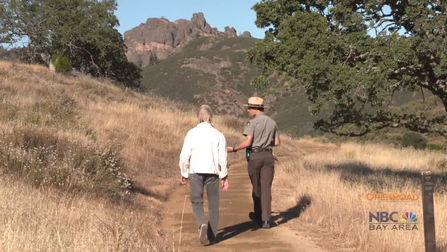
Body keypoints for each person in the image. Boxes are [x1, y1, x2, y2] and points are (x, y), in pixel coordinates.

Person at [179, 104, 229, 245]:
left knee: (196, 200)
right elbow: (222, 159)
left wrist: (184, 172)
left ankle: (201, 223)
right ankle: (211, 235)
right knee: (213, 203)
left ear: (198, 117)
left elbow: (184, 156)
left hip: (195, 172)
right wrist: (224, 176)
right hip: (213, 173)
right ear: (210, 117)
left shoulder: (191, 133)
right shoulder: (219, 135)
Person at [227, 96, 280, 229]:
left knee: (256, 187)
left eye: (249, 108)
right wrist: (266, 143)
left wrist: (234, 149)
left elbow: (248, 142)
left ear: (255, 109)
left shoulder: (253, 123)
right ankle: (266, 220)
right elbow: (277, 142)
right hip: (268, 155)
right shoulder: (272, 122)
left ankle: (258, 215)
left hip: (255, 156)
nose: (248, 111)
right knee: (266, 188)